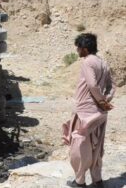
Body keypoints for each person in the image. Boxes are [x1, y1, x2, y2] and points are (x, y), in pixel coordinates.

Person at [62, 33, 115, 188]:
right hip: (100, 113)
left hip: (85, 112)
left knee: (79, 147)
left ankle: (80, 182)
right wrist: (105, 101)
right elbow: (112, 86)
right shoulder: (103, 63)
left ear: (84, 49)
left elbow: (92, 85)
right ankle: (97, 180)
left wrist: (100, 100)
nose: (77, 51)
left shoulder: (87, 62)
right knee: (97, 147)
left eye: (78, 48)